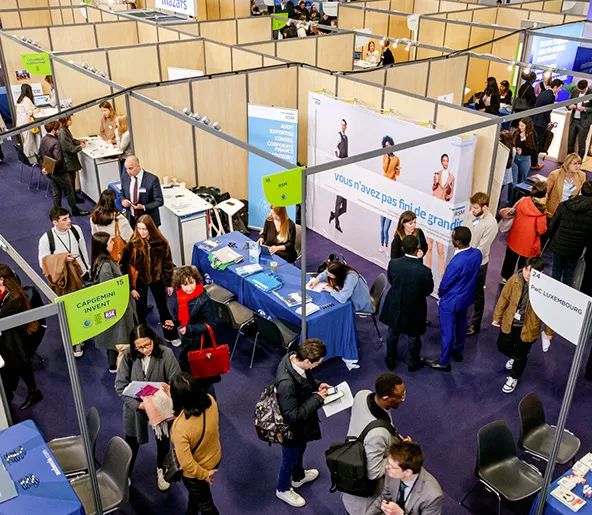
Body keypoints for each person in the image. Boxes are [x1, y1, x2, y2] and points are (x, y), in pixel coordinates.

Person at [115, 324, 181, 490]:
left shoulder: (166, 354)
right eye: (140, 347)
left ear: (154, 340)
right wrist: (139, 405)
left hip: (161, 407)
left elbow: (176, 382)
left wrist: (166, 393)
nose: (144, 350)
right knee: (131, 441)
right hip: (136, 408)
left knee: (163, 441)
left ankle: (162, 469)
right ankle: (126, 473)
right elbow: (120, 386)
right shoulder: (129, 355)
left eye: (148, 345)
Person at [342, 373, 408, 515]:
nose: (403, 400)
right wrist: (399, 455)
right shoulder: (377, 435)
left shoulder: (362, 395)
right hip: (365, 503)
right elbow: (374, 472)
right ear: (386, 398)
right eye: (400, 397)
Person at [275, 338, 329, 507]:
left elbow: (306, 378)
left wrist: (318, 385)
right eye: (317, 363)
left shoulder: (293, 357)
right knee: (289, 459)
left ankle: (298, 477)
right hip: (291, 430)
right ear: (307, 360)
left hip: (302, 429)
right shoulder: (286, 384)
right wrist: (318, 399)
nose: (318, 365)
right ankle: (282, 489)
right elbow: (292, 415)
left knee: (300, 450)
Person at [493, 256, 554, 393]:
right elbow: (503, 298)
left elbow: (548, 313)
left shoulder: (544, 289)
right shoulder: (514, 280)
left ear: (540, 273)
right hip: (510, 322)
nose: (527, 274)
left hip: (528, 328)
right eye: (526, 269)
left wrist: (549, 333)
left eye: (531, 272)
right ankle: (515, 359)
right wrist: (497, 316)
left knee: (521, 354)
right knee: (502, 346)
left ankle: (514, 377)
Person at [427, 227, 481, 371]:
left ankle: (444, 362)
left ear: (458, 242)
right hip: (466, 298)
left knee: (447, 332)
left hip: (451, 300)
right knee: (462, 325)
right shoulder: (477, 254)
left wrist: (441, 294)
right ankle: (458, 351)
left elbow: (445, 283)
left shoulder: (456, 263)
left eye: (452, 237)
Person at [38, 207, 89, 357]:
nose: (69, 221)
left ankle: (84, 332)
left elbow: (83, 249)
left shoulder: (76, 230)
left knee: (82, 307)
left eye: (68, 217)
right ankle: (76, 341)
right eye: (64, 219)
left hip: (80, 275)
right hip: (63, 282)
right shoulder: (46, 239)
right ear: (55, 222)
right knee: (69, 313)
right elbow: (43, 263)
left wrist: (87, 269)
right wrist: (62, 260)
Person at [170, 373, 221, 515]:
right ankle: (191, 511)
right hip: (214, 458)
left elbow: (186, 463)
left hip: (197, 471)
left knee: (206, 504)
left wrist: (204, 474)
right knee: (197, 495)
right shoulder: (210, 401)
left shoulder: (180, 427)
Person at [380, 236, 434, 371]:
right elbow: (428, 290)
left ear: (402, 248)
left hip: (395, 303)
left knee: (392, 332)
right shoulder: (424, 270)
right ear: (418, 249)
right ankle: (413, 362)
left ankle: (390, 359)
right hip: (415, 307)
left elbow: (391, 280)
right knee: (413, 336)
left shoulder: (394, 263)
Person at [120, 215, 176, 342]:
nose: (141, 232)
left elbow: (167, 264)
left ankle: (170, 335)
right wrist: (131, 288)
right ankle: (144, 338)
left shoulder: (162, 243)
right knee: (140, 311)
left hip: (157, 279)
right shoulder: (132, 245)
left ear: (151, 228)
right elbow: (123, 268)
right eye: (139, 228)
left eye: (144, 229)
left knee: (163, 307)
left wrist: (169, 283)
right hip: (139, 282)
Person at [91, 232, 138, 373]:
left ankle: (113, 364)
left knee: (115, 337)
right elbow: (109, 291)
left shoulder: (101, 261)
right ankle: (122, 366)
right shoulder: (105, 266)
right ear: (103, 245)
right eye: (110, 241)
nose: (113, 242)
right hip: (119, 307)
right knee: (119, 336)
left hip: (118, 306)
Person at [0, 264, 42, 411]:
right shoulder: (5, 294)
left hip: (16, 340)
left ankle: (32, 392)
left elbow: (1, 316)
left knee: (20, 366)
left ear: (1, 280)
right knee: (21, 367)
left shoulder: (14, 298)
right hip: (10, 339)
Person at [172, 266, 217, 394]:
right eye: (184, 284)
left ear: (196, 281)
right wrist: (174, 322)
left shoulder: (204, 300)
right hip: (188, 344)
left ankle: (211, 405)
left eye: (191, 282)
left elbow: (211, 325)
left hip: (201, 345)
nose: (189, 288)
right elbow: (182, 317)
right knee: (190, 377)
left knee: (205, 381)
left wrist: (190, 329)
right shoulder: (181, 297)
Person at [367, 441, 443, 515]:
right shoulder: (392, 472)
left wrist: (400, 514)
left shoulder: (432, 496)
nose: (387, 467)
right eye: (388, 462)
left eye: (392, 466)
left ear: (408, 472)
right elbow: (386, 496)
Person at [500, 181, 547, 282]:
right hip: (529, 243)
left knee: (510, 259)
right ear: (544, 195)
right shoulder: (541, 212)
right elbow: (541, 230)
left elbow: (513, 212)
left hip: (515, 237)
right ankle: (519, 281)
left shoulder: (523, 200)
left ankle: (505, 278)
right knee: (524, 264)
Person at [547, 180, 592, 286]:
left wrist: (552, 239)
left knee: (556, 272)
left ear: (580, 189)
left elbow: (553, 225)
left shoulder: (564, 204)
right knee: (569, 273)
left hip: (558, 245)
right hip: (576, 249)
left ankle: (552, 295)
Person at [465, 193, 498, 336]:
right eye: (472, 207)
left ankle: (475, 324)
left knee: (478, 294)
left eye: (476, 208)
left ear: (485, 207)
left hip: (478, 264)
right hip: (464, 260)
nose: (473, 210)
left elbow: (482, 249)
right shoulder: (470, 214)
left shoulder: (491, 224)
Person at [40, 121, 89, 216]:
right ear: (54, 130)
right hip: (60, 172)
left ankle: (57, 212)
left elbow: (40, 155)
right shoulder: (56, 142)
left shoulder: (43, 139)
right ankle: (75, 210)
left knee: (56, 193)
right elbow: (58, 160)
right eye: (58, 129)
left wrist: (45, 168)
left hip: (49, 172)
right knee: (69, 191)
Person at [425, 154, 454, 278]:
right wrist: (435, 182)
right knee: (429, 245)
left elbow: (449, 196)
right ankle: (427, 270)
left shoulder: (452, 177)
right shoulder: (437, 173)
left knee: (440, 247)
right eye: (443, 160)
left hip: (442, 210)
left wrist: (448, 192)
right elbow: (433, 188)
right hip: (433, 206)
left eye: (447, 161)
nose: (445, 163)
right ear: (441, 161)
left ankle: (442, 274)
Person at [307, 261, 373, 312]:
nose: (327, 275)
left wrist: (331, 290)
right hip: (348, 295)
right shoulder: (341, 268)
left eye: (330, 275)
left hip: (358, 302)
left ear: (337, 274)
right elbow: (325, 273)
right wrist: (317, 280)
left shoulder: (350, 278)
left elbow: (342, 299)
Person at [120, 155, 164, 229]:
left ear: (138, 166)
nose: (128, 172)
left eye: (130, 168)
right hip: (132, 219)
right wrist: (123, 200)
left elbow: (159, 201)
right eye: (126, 169)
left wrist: (144, 207)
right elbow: (122, 193)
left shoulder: (152, 180)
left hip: (148, 220)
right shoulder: (125, 177)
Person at [531, 78, 563, 170]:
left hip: (535, 120)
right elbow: (547, 111)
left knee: (533, 142)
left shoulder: (543, 92)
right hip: (541, 123)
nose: (559, 90)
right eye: (559, 88)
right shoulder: (551, 96)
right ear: (556, 87)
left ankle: (532, 162)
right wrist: (548, 121)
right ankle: (534, 163)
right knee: (538, 144)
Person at [545, 153, 586, 223]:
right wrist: (544, 209)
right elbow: (545, 192)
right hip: (554, 210)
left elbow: (582, 195)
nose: (577, 166)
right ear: (567, 164)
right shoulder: (555, 175)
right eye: (575, 164)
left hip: (571, 211)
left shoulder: (582, 175)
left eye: (579, 164)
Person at [508, 117, 538, 205]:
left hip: (525, 159)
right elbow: (512, 143)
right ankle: (510, 202)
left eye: (522, 126)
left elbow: (535, 150)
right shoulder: (517, 133)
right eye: (519, 125)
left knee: (522, 181)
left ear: (527, 126)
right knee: (513, 182)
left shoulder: (532, 135)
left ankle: (518, 203)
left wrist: (523, 151)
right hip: (515, 159)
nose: (520, 127)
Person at [58, 115, 86, 204]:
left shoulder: (65, 130)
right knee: (71, 180)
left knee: (73, 178)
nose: (71, 121)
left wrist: (79, 142)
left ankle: (74, 196)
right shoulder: (62, 132)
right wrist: (80, 147)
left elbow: (71, 140)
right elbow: (68, 148)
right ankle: (73, 198)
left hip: (70, 160)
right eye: (70, 120)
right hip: (68, 160)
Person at [379, 135, 400, 252]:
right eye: (386, 146)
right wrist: (388, 157)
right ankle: (382, 245)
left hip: (392, 185)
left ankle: (387, 245)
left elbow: (398, 173)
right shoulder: (385, 157)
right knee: (382, 226)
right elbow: (385, 170)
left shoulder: (396, 158)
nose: (388, 148)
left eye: (389, 146)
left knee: (386, 227)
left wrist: (397, 168)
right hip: (385, 183)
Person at [329, 119, 348, 233]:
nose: (343, 126)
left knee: (345, 207)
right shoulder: (338, 136)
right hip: (340, 167)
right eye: (341, 124)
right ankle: (336, 223)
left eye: (344, 125)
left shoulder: (346, 138)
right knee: (339, 197)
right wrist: (338, 159)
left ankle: (333, 215)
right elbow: (335, 149)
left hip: (345, 167)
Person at [567, 80, 592, 159]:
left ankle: (578, 163)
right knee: (570, 142)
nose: (580, 91)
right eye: (579, 90)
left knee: (581, 144)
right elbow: (568, 103)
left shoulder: (591, 93)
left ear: (586, 87)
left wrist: (585, 109)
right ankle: (568, 161)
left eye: (582, 90)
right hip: (574, 120)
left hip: (584, 122)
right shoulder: (575, 92)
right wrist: (569, 106)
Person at [15, 84, 40, 163]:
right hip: (26, 124)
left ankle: (28, 158)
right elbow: (30, 112)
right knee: (28, 142)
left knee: (27, 141)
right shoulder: (26, 99)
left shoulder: (20, 99)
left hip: (21, 124)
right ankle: (27, 159)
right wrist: (37, 110)